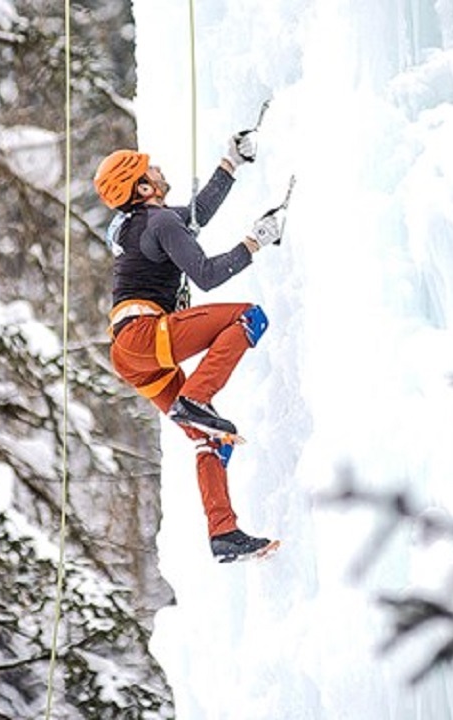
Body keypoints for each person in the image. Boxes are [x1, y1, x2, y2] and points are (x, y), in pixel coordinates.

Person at [94, 131, 285, 563]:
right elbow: (206, 275)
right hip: (144, 334)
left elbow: (196, 217)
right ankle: (196, 397)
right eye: (150, 170)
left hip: (131, 352)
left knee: (212, 439)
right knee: (247, 317)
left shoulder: (145, 224)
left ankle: (224, 534)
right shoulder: (157, 222)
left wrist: (230, 163)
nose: (159, 170)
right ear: (143, 188)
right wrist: (256, 241)